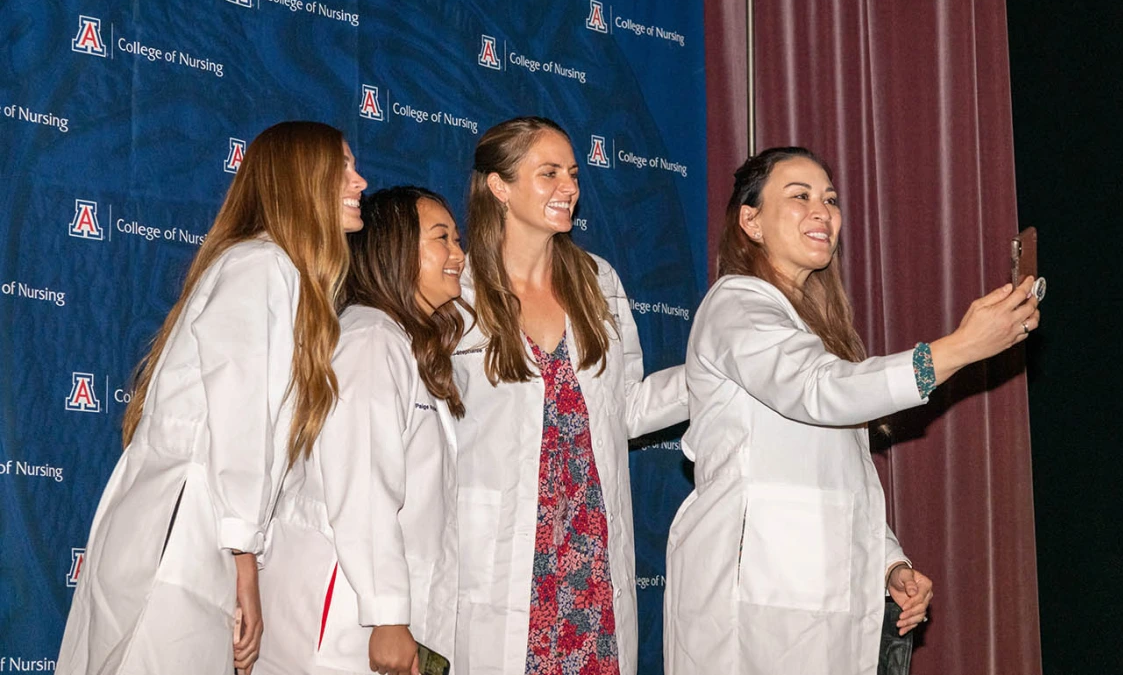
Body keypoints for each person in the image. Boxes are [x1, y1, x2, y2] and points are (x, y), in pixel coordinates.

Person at [663, 147, 1041, 675]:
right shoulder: (736, 304)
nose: (823, 212)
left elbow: (840, 476)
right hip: (753, 604)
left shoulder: (812, 328)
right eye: (799, 197)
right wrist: (958, 348)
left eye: (831, 199)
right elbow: (820, 391)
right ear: (751, 221)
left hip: (823, 599)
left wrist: (889, 564)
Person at [56, 121, 367, 675]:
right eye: (342, 166)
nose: (360, 180)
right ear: (301, 178)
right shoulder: (262, 266)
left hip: (201, 535)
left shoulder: (274, 271)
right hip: (185, 536)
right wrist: (245, 565)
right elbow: (239, 423)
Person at [450, 116, 689, 675]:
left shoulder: (596, 280)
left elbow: (627, 410)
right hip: (501, 551)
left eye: (574, 174)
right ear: (498, 186)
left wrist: (714, 374)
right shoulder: (457, 288)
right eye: (549, 172)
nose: (571, 188)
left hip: (588, 550)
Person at [257, 186, 467, 675]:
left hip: (366, 607)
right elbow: (363, 485)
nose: (459, 254)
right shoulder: (371, 338)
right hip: (343, 612)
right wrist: (389, 615)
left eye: (457, 239)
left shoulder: (398, 342)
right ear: (395, 249)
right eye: (443, 238)